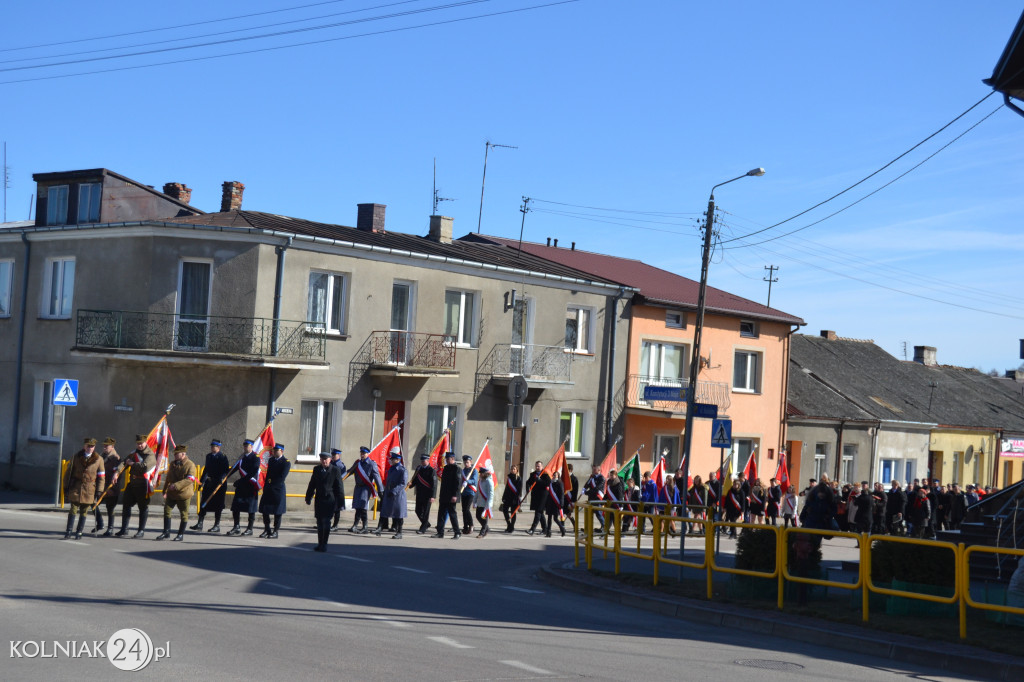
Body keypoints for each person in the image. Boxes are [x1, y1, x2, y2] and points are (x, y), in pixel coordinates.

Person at [115, 434, 157, 538]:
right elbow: (125, 462)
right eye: (138, 443)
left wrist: (132, 464)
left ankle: (141, 531)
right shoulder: (134, 453)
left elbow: (144, 467)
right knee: (126, 505)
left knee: (143, 507)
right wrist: (117, 472)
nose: (139, 445)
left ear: (145, 442)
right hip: (132, 483)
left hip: (143, 484)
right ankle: (124, 529)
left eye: (141, 443)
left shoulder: (150, 455)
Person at [63, 437, 104, 540]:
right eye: (88, 446)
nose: (90, 448)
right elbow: (68, 473)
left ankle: (79, 532)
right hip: (76, 487)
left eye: (92, 446)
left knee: (84, 511)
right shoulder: (76, 457)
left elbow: (101, 476)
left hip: (89, 489)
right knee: (73, 509)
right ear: (84, 446)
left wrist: (99, 490)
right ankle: (68, 531)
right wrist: (65, 486)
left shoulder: (98, 459)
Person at [157, 444, 197, 541]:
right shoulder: (173, 464)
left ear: (183, 454)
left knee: (183, 514)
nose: (174, 455)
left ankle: (180, 534)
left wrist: (176, 485)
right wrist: (165, 489)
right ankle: (166, 532)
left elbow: (190, 479)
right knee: (167, 510)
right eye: (174, 454)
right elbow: (168, 478)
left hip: (184, 493)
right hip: (171, 493)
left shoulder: (190, 465)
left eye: (176, 454)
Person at [305, 452, 343, 552]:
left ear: (330, 459)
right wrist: (308, 496)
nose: (324, 461)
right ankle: (320, 543)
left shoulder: (335, 470)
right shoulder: (316, 469)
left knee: (326, 522)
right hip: (319, 500)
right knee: (319, 522)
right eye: (322, 459)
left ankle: (324, 544)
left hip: (330, 500)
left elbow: (339, 487)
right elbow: (312, 484)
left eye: (326, 459)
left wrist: (340, 502)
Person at [192, 439, 229, 532]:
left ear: (218, 447)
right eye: (211, 446)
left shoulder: (223, 457)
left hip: (219, 484)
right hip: (209, 483)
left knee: (218, 505)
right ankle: (200, 523)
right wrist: (201, 482)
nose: (212, 448)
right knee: (203, 502)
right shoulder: (208, 456)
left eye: (214, 446)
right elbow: (206, 470)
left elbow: (225, 470)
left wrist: (221, 479)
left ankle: (217, 525)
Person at [226, 439, 261, 536]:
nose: (246, 447)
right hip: (242, 486)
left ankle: (250, 529)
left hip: (251, 485)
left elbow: (253, 471)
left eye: (248, 446)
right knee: (236, 507)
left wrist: (241, 481)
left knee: (251, 508)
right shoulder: (241, 458)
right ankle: (236, 527)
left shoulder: (256, 457)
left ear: (252, 446)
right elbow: (234, 468)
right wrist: (225, 477)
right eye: (244, 446)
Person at [348, 445, 383, 534]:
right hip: (358, 487)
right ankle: (355, 525)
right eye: (361, 453)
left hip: (365, 488)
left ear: (368, 454)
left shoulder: (371, 464)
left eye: (364, 453)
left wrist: (380, 490)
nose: (362, 454)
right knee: (357, 507)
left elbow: (377, 477)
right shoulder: (358, 463)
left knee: (363, 507)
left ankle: (365, 527)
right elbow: (349, 471)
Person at [259, 443, 290, 539]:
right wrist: (266, 485)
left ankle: (275, 531)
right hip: (269, 488)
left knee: (277, 512)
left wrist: (272, 484)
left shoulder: (286, 462)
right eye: (274, 450)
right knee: (265, 510)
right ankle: (267, 529)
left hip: (278, 489)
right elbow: (268, 474)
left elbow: (282, 477)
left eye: (277, 450)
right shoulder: (271, 460)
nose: (275, 452)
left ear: (282, 451)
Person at [377, 450, 408, 539]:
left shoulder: (402, 470)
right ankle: (379, 528)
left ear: (398, 460)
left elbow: (403, 483)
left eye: (393, 459)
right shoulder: (391, 469)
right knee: (384, 511)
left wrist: (394, 491)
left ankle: (399, 532)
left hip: (398, 495)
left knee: (399, 514)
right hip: (389, 493)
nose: (391, 460)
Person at [92, 437, 118, 535]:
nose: (104, 448)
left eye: (106, 446)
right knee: (93, 504)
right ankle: (100, 523)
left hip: (111, 488)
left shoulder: (116, 458)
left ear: (112, 447)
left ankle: (110, 529)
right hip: (101, 486)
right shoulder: (101, 456)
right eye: (104, 446)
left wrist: (112, 489)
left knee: (110, 508)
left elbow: (118, 475)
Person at [434, 452, 462, 539]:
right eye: (446, 459)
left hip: (452, 496)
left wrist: (455, 495)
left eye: (448, 459)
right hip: (444, 495)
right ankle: (440, 532)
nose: (446, 460)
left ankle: (457, 532)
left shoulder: (457, 469)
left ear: (453, 459)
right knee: (441, 514)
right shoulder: (446, 468)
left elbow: (458, 483)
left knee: (452, 514)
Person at [409, 453, 436, 534]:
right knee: (418, 511)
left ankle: (423, 528)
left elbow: (434, 485)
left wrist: (433, 496)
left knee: (425, 512)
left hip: (428, 495)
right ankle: (426, 523)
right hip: (419, 493)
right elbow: (415, 479)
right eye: (421, 460)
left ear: (427, 461)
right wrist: (411, 485)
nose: (422, 462)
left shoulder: (432, 470)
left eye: (423, 461)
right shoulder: (419, 469)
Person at [582, 464, 606, 533]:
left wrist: (587, 492)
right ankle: (588, 528)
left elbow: (597, 488)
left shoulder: (602, 478)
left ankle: (604, 526)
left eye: (594, 469)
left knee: (598, 513)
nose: (593, 470)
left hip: (597, 498)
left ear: (599, 470)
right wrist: (584, 489)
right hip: (591, 498)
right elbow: (588, 484)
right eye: (593, 469)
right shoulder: (592, 477)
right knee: (589, 513)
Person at [526, 462, 548, 536]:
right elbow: (528, 482)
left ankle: (532, 529)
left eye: (539, 466)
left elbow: (547, 483)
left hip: (543, 496)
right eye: (536, 466)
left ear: (542, 466)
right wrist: (528, 489)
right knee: (540, 512)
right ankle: (545, 529)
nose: (537, 467)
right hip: (536, 495)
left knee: (538, 512)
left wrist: (540, 481)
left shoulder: (545, 474)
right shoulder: (533, 474)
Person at [459, 455, 479, 535]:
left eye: (467, 462)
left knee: (467, 509)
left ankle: (471, 525)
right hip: (463, 492)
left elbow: (474, 480)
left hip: (471, 492)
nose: (466, 464)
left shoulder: (474, 471)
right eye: (465, 462)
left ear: (470, 462)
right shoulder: (463, 471)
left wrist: (467, 482)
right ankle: (465, 526)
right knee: (464, 510)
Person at [329, 449, 347, 531]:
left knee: (337, 508)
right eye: (332, 454)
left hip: (337, 488)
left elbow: (343, 476)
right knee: (328, 507)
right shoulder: (330, 463)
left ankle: (335, 525)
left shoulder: (341, 465)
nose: (333, 456)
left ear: (339, 455)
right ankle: (326, 524)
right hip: (330, 488)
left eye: (334, 455)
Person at [474, 468, 494, 537]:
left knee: (484, 518)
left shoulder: (489, 481)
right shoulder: (480, 481)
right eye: (480, 473)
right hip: (480, 503)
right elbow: (477, 492)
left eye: (481, 473)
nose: (480, 475)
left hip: (486, 503)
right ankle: (486, 528)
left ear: (485, 474)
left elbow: (491, 493)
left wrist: (489, 504)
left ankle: (482, 533)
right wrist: (474, 501)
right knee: (477, 516)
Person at [501, 465, 521, 533]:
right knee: (505, 510)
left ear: (516, 470)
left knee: (513, 513)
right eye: (512, 469)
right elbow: (507, 488)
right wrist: (503, 497)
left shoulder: (518, 478)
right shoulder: (509, 478)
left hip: (514, 498)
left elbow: (519, 490)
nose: (513, 470)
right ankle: (509, 525)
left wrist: (517, 498)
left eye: (514, 469)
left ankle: (512, 527)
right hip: (508, 497)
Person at [545, 472, 566, 537]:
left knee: (555, 518)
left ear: (558, 476)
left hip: (556, 503)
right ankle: (548, 532)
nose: (554, 476)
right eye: (553, 475)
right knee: (549, 518)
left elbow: (562, 494)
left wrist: (561, 503)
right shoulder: (551, 483)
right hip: (550, 502)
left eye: (555, 475)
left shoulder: (560, 483)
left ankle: (562, 529)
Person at [563, 463, 579, 532]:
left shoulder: (574, 479)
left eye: (567, 470)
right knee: (562, 513)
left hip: (570, 499)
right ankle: (562, 527)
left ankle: (575, 525)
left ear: (570, 470)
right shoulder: (564, 478)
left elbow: (575, 491)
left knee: (568, 514)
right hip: (564, 498)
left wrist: (573, 501)